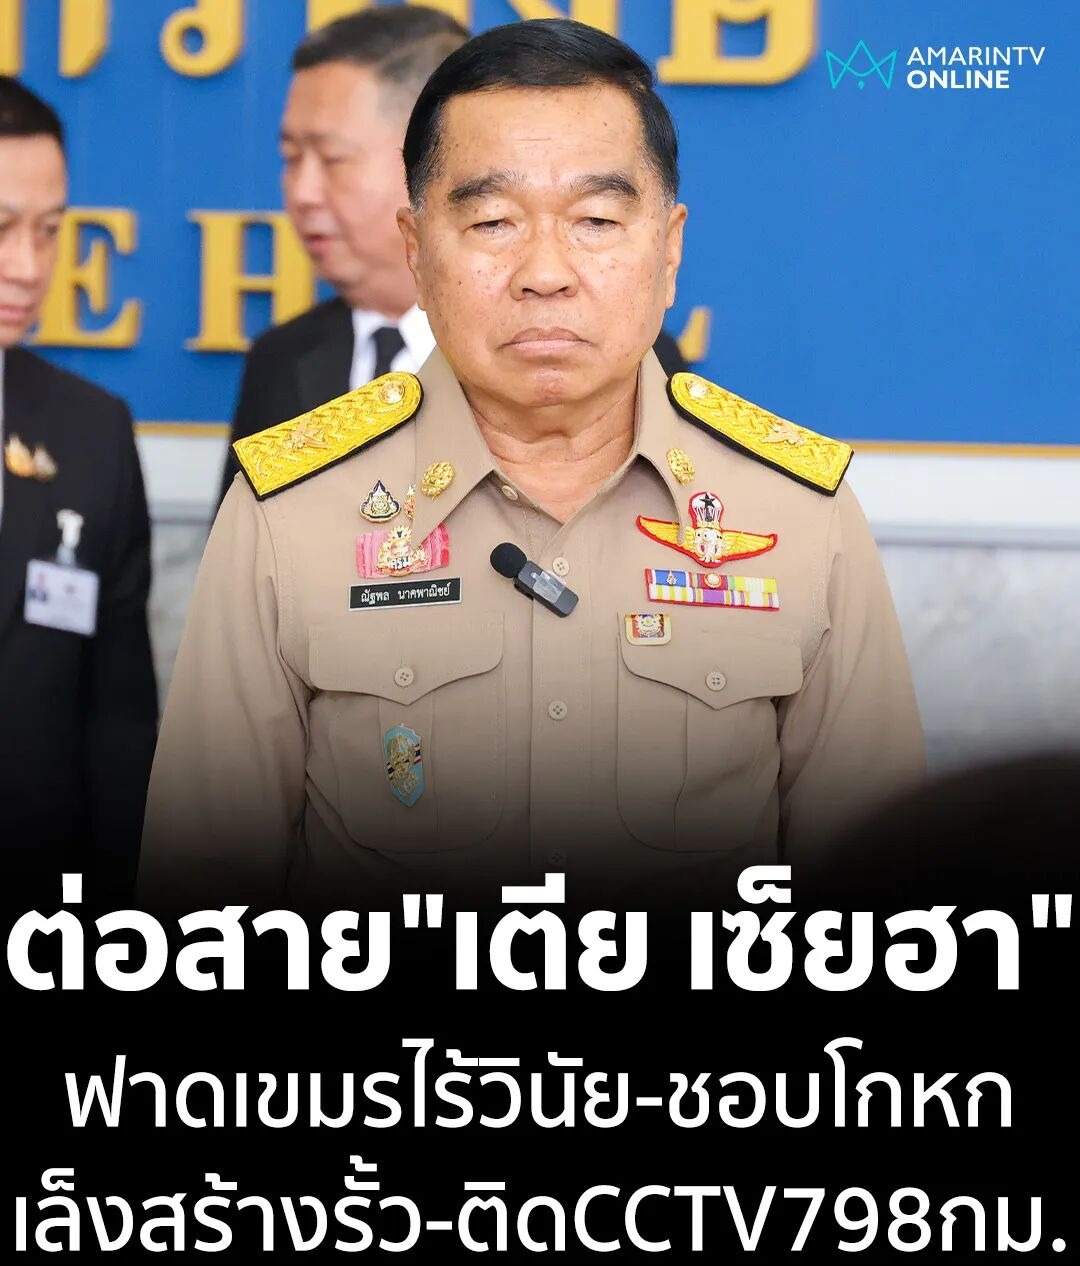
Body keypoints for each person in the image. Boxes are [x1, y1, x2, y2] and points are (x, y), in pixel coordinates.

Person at [142, 20, 923, 903]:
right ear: (417, 250)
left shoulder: (798, 513)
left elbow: (877, 894)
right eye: (492, 221)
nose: (545, 272)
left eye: (595, 220)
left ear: (668, 251)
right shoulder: (291, 511)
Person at [214, 6, 684, 513]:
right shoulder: (281, 359)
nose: (301, 193)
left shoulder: (633, 360)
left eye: (332, 158)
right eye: (291, 159)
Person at [0, 78, 157, 885]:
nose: (28, 267)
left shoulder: (90, 431)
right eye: (0, 228)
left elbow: (120, 716)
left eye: (49, 230)